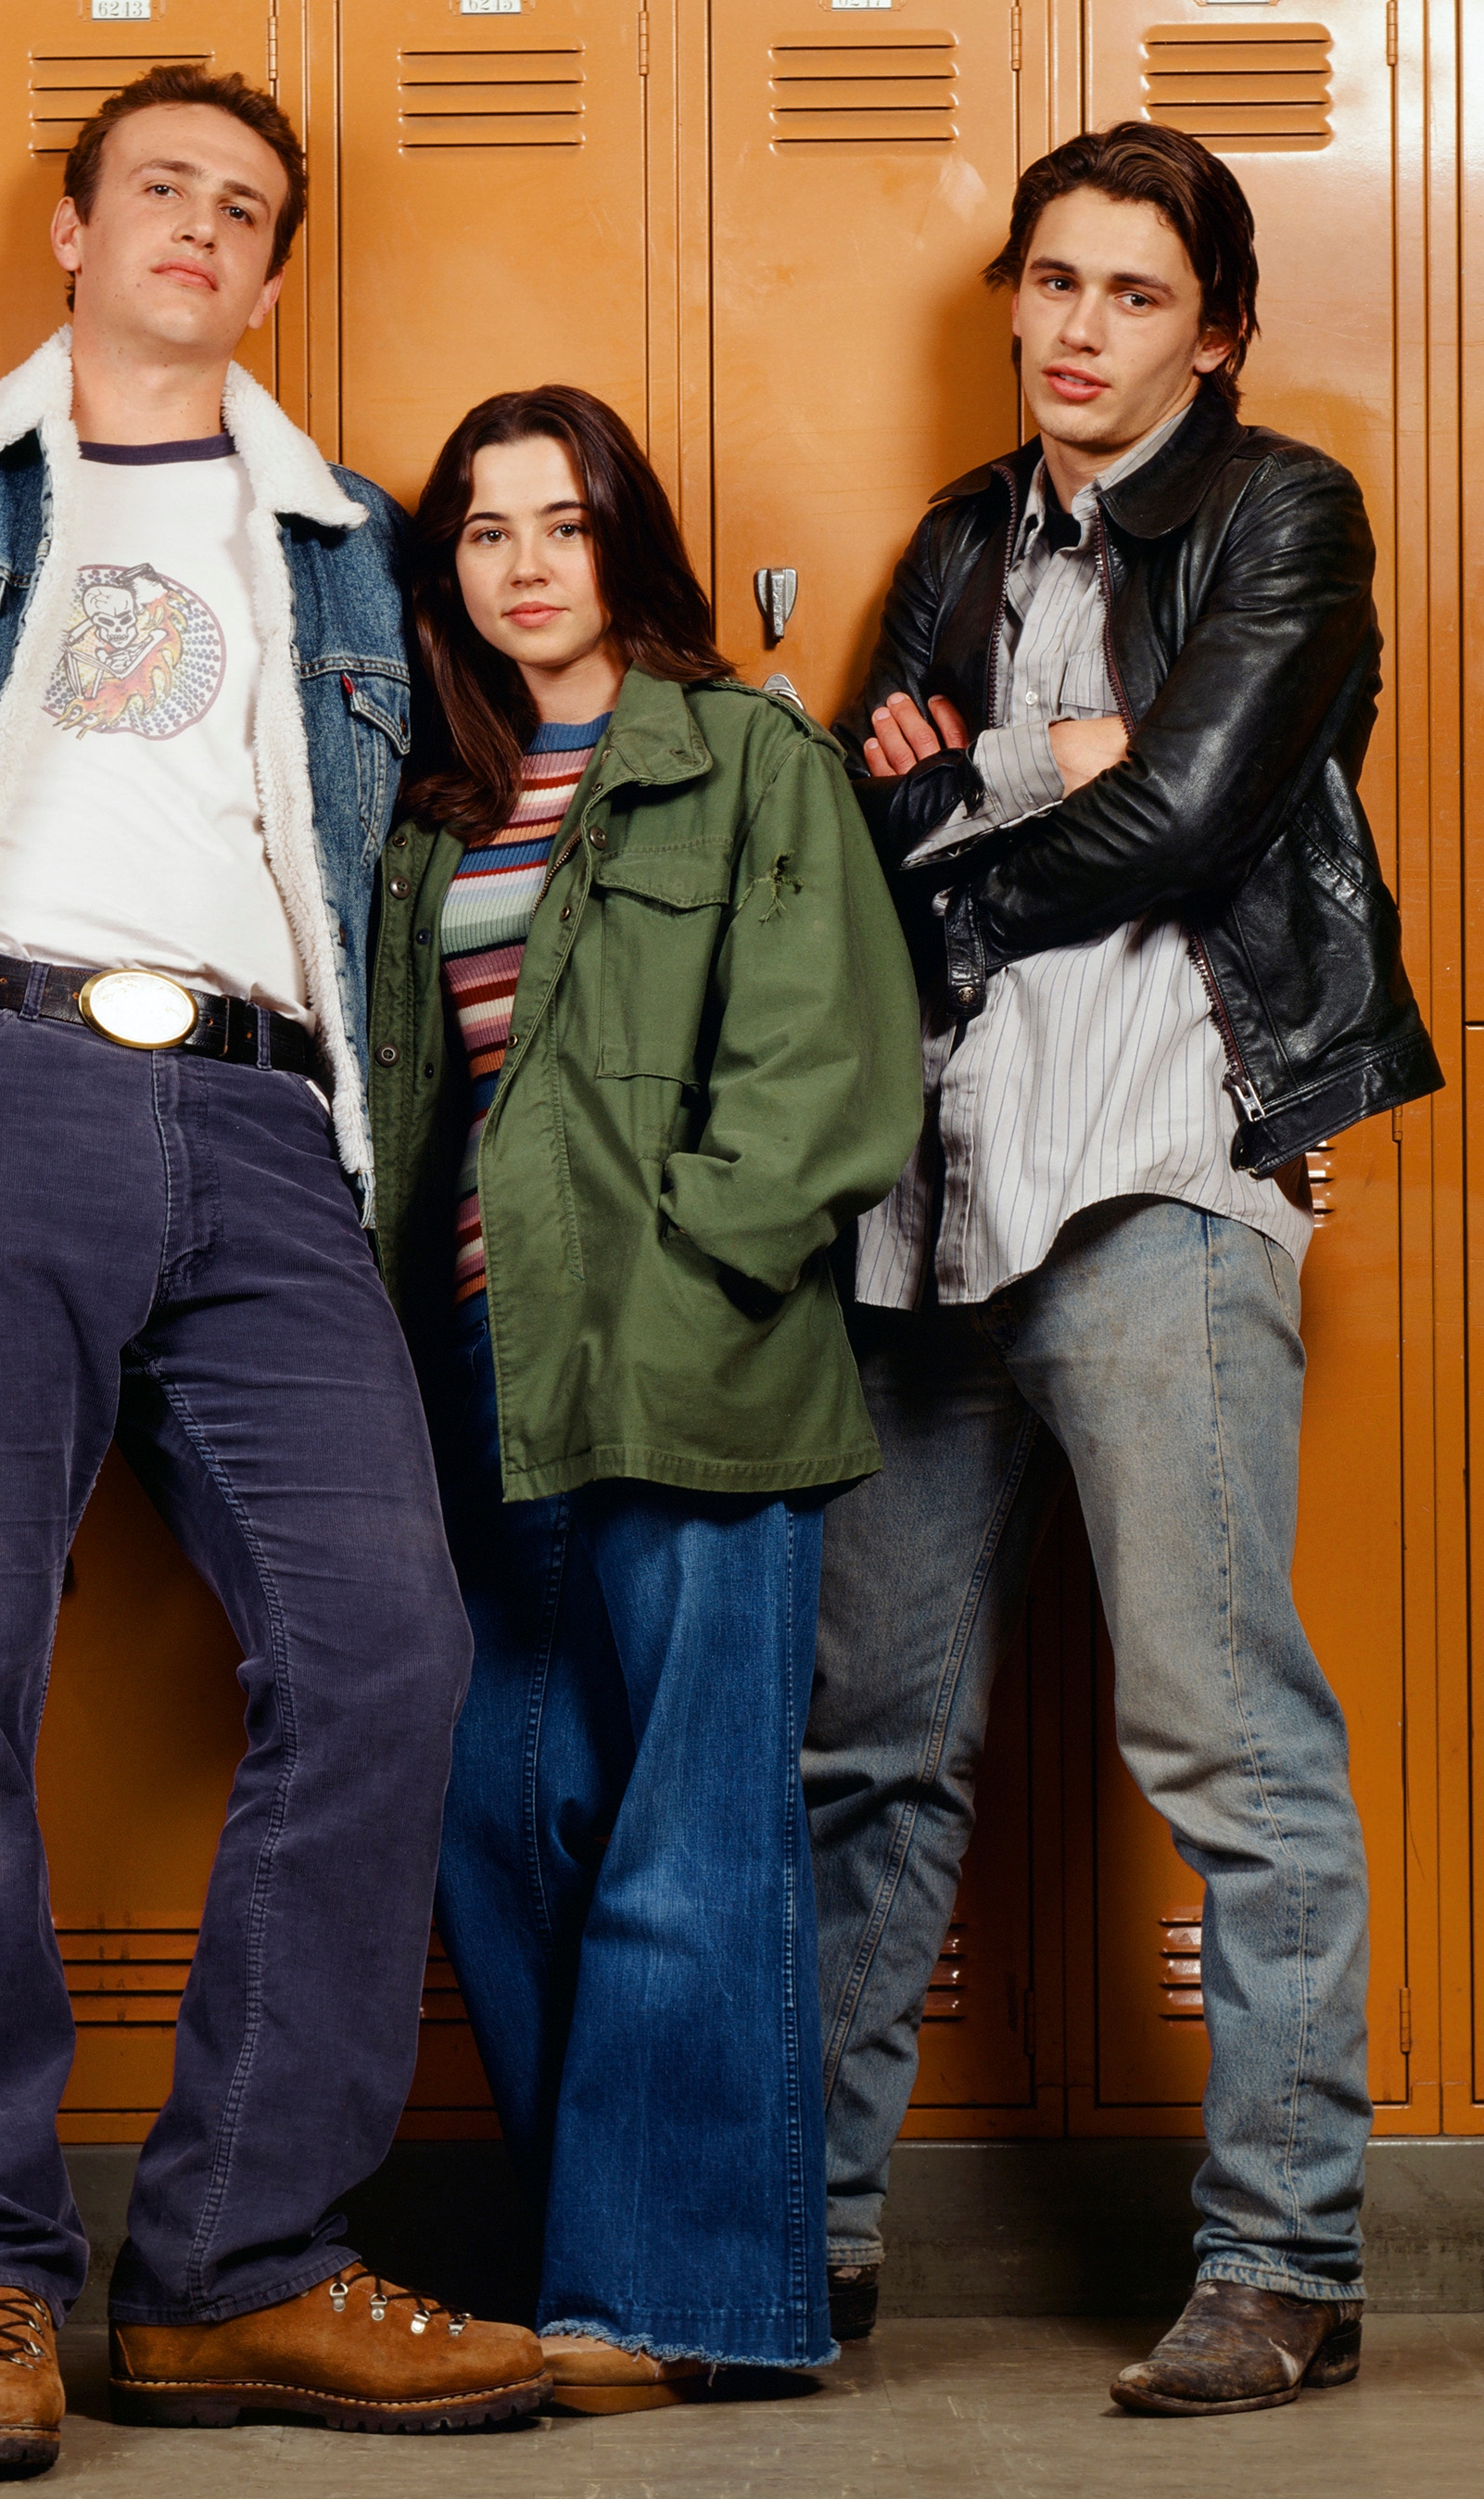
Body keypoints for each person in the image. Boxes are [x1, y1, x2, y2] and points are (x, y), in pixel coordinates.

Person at [0, 64, 545, 2479]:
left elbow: (493, 773)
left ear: (270, 272)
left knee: (388, 1651)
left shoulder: (352, 542)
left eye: (244, 207)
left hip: (272, 1127)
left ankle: (239, 2270)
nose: (200, 226)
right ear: (71, 233)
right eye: (159, 188)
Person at [805, 122, 1442, 2414]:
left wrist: (991, 796)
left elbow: (1192, 808)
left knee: (1224, 1735)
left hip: (1159, 1169)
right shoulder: (963, 534)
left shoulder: (1286, 513)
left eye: (1136, 295)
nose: (1079, 330)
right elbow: (857, 815)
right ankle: (809, 2233)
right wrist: (1035, 754)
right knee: (865, 1751)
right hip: (931, 1188)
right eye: (1053, 282)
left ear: (1219, 333)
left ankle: (1286, 2258)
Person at [366, 387, 922, 2408]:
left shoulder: (744, 756)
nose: (527, 563)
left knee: (690, 1832)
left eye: (565, 521)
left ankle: (683, 2300)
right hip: (475, 1370)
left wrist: (687, 1270)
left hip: (689, 1353)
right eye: (485, 530)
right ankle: (599, 2259)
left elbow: (831, 1065)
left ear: (629, 541)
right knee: (497, 1816)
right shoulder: (436, 811)